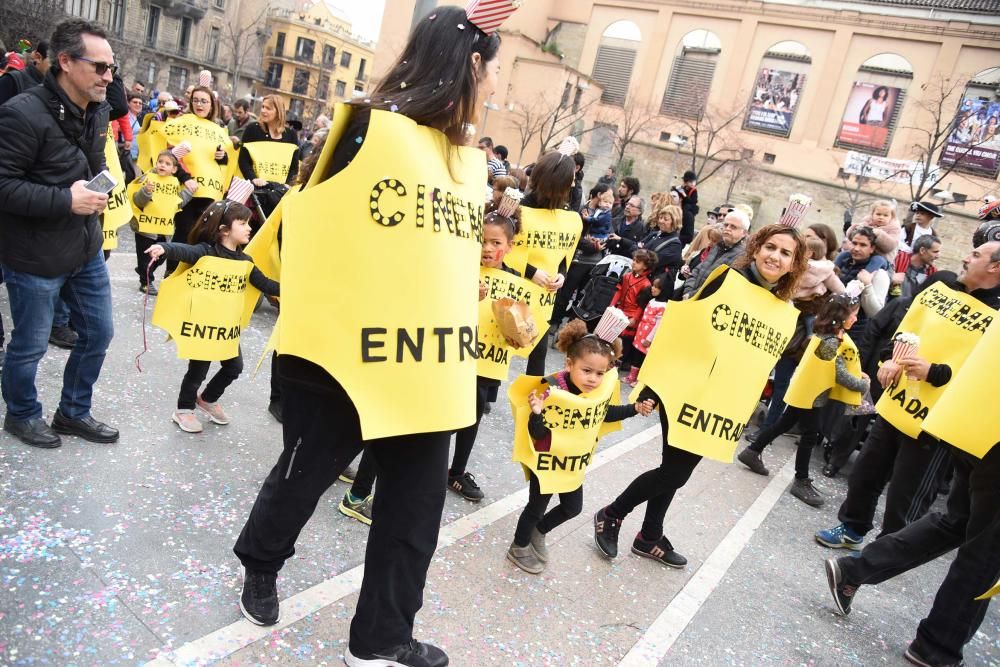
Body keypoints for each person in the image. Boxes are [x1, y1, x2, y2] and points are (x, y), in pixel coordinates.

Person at [232, 4, 514, 665]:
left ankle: (382, 635)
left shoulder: (466, 162)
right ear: (472, 65)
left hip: (427, 364)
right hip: (340, 356)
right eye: (493, 70)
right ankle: (260, 561)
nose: (496, 86)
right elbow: (318, 216)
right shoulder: (364, 128)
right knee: (302, 479)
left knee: (415, 511)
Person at [593, 224, 808, 567]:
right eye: (771, 247)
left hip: (718, 401)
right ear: (756, 248)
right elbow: (684, 326)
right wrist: (654, 382)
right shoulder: (727, 278)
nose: (775, 256)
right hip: (685, 387)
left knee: (674, 470)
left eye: (786, 253)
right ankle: (612, 513)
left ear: (794, 264)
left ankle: (649, 536)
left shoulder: (781, 308)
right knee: (675, 473)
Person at [816, 240, 1000, 551]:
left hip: (936, 424)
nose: (966, 257)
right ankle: (852, 528)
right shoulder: (941, 286)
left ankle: (887, 553)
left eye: (977, 255)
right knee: (865, 474)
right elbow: (905, 329)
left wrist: (935, 372)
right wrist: (890, 357)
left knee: (907, 494)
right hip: (897, 405)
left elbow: (984, 374)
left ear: (995, 267)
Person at [0, 19, 118, 448]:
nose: (109, 77)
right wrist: (65, 200)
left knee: (99, 334)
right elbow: (3, 186)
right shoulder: (21, 113)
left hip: (84, 247)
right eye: (101, 67)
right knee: (30, 346)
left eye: (112, 68)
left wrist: (97, 190)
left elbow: (89, 165)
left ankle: (73, 412)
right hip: (33, 256)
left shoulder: (98, 108)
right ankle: (22, 414)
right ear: (65, 62)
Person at [507, 319, 655, 574]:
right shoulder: (552, 388)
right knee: (536, 506)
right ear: (569, 364)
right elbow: (537, 433)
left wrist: (634, 408)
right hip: (547, 459)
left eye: (600, 373)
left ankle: (539, 532)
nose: (593, 379)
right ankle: (518, 546)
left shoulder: (596, 392)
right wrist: (537, 413)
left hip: (572, 461)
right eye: (586, 371)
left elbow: (604, 413)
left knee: (572, 507)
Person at [145, 201, 279, 433]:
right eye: (243, 223)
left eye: (249, 223)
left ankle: (207, 399)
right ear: (224, 229)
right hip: (203, 326)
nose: (249, 228)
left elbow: (265, 284)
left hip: (226, 328)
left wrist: (295, 290)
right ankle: (184, 409)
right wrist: (165, 249)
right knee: (198, 370)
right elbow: (186, 251)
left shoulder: (244, 261)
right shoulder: (206, 252)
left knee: (234, 367)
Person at [737, 292, 870, 506]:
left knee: (785, 423)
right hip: (811, 395)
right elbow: (838, 372)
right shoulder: (830, 340)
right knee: (809, 435)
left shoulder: (827, 335)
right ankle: (800, 480)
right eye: (853, 314)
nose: (855, 319)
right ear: (840, 316)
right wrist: (862, 384)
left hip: (806, 391)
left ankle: (753, 451)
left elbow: (837, 365)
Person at [445, 208, 527, 503]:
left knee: (474, 413)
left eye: (496, 242)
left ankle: (457, 471)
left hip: (488, 363)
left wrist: (517, 334)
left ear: (509, 246)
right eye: (482, 240)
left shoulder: (514, 279)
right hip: (453, 357)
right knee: (444, 416)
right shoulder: (460, 268)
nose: (488, 248)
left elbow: (520, 326)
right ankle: (422, 465)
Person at [514, 145, 579, 376]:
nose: (573, 185)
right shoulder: (519, 210)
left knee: (538, 353)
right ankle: (486, 395)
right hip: (512, 291)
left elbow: (564, 254)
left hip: (543, 297)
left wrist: (562, 274)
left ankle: (535, 410)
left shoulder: (568, 215)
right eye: (570, 180)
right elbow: (505, 252)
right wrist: (531, 271)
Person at [164, 85, 231, 275]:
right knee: (182, 232)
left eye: (204, 101)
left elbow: (227, 161)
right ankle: (171, 272)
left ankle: (193, 273)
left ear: (212, 105)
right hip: (186, 187)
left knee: (205, 233)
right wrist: (185, 178)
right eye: (196, 100)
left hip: (210, 190)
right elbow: (170, 154)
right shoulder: (181, 123)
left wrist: (222, 156)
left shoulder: (219, 130)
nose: (199, 104)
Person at [130, 149, 196, 294]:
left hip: (163, 229)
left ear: (174, 169)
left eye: (167, 163)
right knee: (145, 257)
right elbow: (138, 200)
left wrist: (189, 192)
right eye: (160, 162)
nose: (162, 165)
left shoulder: (173, 183)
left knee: (161, 256)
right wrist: (146, 191)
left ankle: (144, 270)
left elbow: (177, 204)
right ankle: (146, 282)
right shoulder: (148, 179)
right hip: (146, 230)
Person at [681, 209, 750, 298]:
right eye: (726, 225)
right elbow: (697, 270)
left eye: (733, 227)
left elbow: (719, 285)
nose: (728, 228)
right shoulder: (718, 246)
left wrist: (692, 295)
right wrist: (688, 290)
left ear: (744, 233)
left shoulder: (742, 256)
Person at [610, 249, 656, 372]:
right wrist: (611, 305)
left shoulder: (646, 284)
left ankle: (620, 362)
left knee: (625, 340)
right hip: (620, 310)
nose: (633, 263)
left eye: (638, 262)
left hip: (632, 314)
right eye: (634, 260)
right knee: (613, 334)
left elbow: (641, 305)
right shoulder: (626, 276)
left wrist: (635, 318)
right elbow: (619, 291)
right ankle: (609, 357)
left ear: (645, 266)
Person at [834, 226, 890, 323]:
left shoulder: (879, 274)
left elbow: (876, 312)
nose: (856, 248)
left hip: (855, 329)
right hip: (830, 322)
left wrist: (867, 285)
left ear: (872, 248)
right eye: (854, 243)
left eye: (863, 245)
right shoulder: (841, 262)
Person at [623, 274, 670, 386]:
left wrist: (649, 338)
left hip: (648, 336)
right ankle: (632, 376)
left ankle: (640, 380)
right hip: (641, 333)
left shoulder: (664, 306)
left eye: (657, 287)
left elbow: (658, 325)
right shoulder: (652, 301)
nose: (653, 288)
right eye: (653, 286)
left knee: (644, 357)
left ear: (664, 290)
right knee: (636, 354)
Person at [893, 234, 940, 299]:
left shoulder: (931, 272)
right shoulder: (898, 259)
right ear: (922, 250)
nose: (938, 256)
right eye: (935, 252)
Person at [677, 170, 699, 245]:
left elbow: (692, 201)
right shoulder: (684, 188)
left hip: (688, 209)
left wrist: (683, 193)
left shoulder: (694, 190)